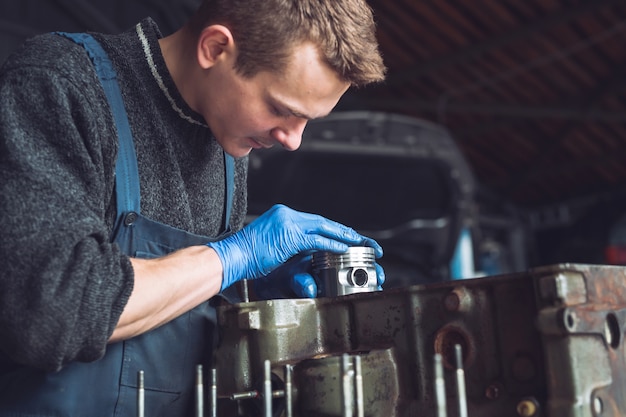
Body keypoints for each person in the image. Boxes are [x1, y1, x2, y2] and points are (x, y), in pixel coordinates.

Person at [0, 0, 386, 415]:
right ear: (216, 48)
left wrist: (250, 294)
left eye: (308, 120)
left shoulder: (225, 139)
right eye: (280, 109)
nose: (293, 140)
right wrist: (233, 255)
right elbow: (49, 312)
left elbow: (177, 315)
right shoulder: (60, 84)